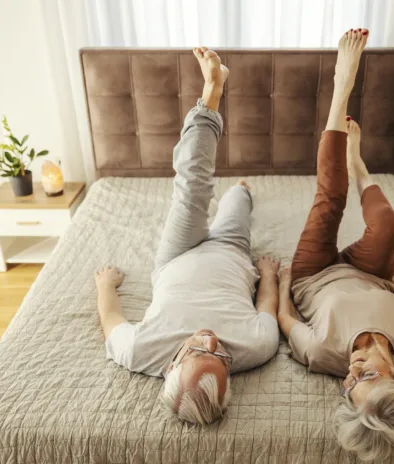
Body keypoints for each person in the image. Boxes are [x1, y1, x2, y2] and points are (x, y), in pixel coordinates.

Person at [94, 47, 281, 426]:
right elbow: (266, 306)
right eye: (221, 355)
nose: (211, 339)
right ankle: (242, 191)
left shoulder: (140, 352)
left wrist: (106, 286)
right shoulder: (257, 348)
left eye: (198, 350)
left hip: (177, 255)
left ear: (172, 365)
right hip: (231, 252)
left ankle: (211, 91)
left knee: (192, 188)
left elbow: (112, 318)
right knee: (237, 199)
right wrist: (270, 275)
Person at [276, 29, 394, 462]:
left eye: (348, 388)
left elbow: (284, 317)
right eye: (364, 378)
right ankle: (361, 166)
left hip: (313, 275)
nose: (350, 375)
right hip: (370, 274)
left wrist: (286, 278)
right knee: (388, 227)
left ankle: (341, 86)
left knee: (330, 198)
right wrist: (393, 283)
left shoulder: (322, 354)